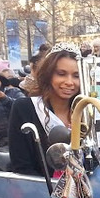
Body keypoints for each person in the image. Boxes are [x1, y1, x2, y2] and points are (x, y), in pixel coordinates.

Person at [7, 43, 82, 176]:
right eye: (61, 74)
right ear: (48, 75)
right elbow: (22, 166)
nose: (69, 82)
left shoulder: (86, 111)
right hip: (41, 191)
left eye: (76, 76)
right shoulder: (25, 108)